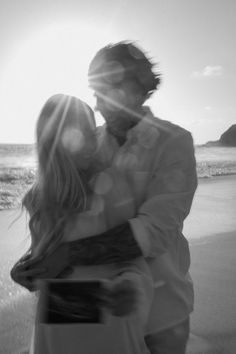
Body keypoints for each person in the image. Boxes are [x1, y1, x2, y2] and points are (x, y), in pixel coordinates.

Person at [12, 41, 198, 354]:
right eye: (95, 92)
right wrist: (33, 266)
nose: (98, 104)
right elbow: (61, 213)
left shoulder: (174, 142)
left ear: (141, 88)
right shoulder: (88, 144)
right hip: (94, 306)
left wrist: (67, 254)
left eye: (109, 88)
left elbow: (154, 230)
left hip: (163, 311)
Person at [11, 93, 153, 354]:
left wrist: (129, 287)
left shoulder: (110, 187)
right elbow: (48, 263)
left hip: (108, 330)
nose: (92, 143)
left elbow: (134, 261)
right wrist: (26, 272)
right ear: (53, 141)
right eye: (80, 134)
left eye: (92, 132)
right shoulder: (38, 200)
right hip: (56, 331)